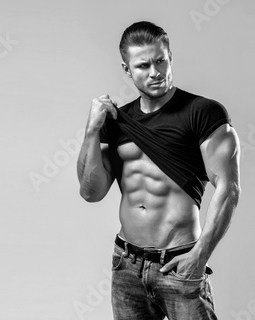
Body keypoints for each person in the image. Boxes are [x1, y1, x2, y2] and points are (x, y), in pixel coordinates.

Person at [76, 21, 241, 320]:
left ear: (170, 57)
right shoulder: (117, 122)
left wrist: (199, 255)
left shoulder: (203, 113)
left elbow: (229, 188)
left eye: (160, 61)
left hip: (180, 263)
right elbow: (91, 192)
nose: (155, 72)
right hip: (126, 264)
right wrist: (91, 131)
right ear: (127, 70)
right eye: (142, 66)